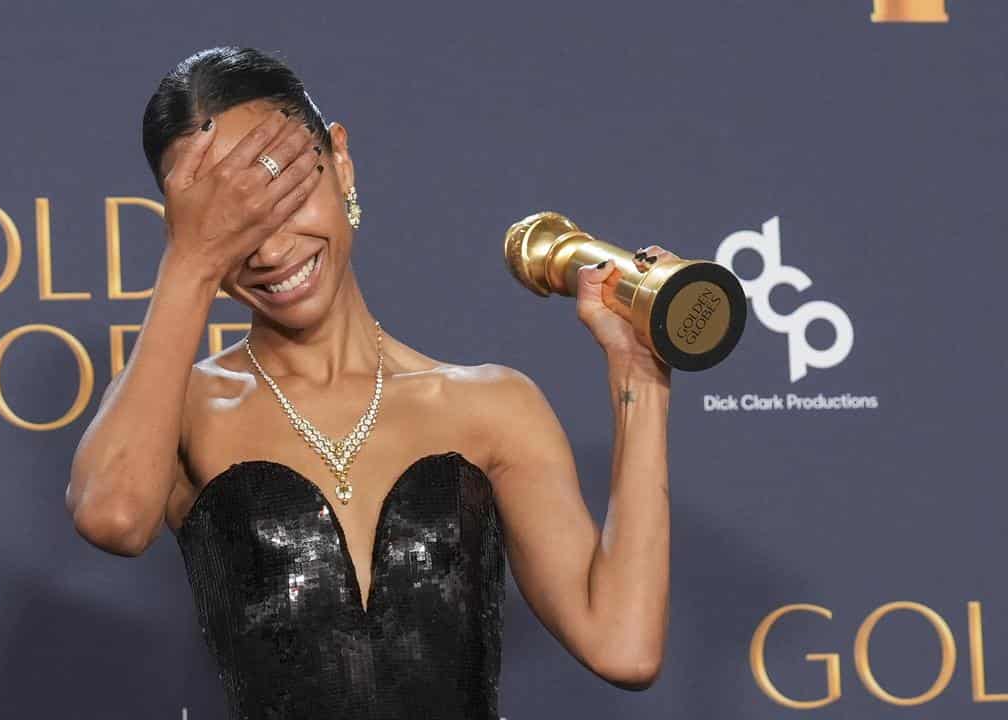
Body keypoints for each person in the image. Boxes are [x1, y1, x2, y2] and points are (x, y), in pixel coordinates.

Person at [65, 46, 673, 719]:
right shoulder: (183, 409)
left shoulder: (491, 404)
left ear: (341, 162)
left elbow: (623, 646)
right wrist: (191, 265)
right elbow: (112, 516)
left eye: (282, 191)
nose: (268, 250)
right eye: (227, 220)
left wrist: (639, 372)